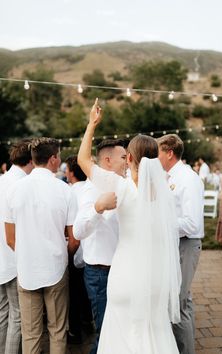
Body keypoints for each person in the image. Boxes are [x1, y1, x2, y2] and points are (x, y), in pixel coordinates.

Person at [77, 99, 181, 354]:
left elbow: (83, 160)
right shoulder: (164, 193)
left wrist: (92, 124)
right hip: (154, 278)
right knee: (153, 332)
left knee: (120, 337)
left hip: (125, 275)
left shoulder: (121, 187)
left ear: (130, 157)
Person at [4, 137, 78, 354]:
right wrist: (63, 257)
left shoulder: (14, 190)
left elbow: (10, 238)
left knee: (31, 333)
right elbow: (73, 239)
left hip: (26, 269)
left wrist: (29, 254)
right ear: (54, 159)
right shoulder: (65, 190)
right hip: (56, 267)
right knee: (57, 330)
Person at [73, 138, 127, 354]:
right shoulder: (91, 190)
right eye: (123, 157)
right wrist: (98, 208)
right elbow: (78, 232)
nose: (127, 161)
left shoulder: (120, 184)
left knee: (118, 331)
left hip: (121, 270)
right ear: (107, 160)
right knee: (105, 333)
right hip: (100, 274)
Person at [157, 134, 204, 354]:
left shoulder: (187, 178)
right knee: (183, 300)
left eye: (158, 152)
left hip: (186, 244)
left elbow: (192, 223)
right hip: (175, 244)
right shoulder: (168, 176)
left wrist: (160, 223)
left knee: (178, 305)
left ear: (169, 153)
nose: (155, 157)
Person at [0, 139, 33, 354]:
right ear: (31, 160)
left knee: (2, 313)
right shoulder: (21, 185)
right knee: (18, 316)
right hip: (12, 257)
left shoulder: (3, 180)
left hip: (1, 256)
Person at [65, 155, 93, 344]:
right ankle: (88, 321)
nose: (65, 172)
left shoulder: (69, 193)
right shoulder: (91, 189)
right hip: (91, 252)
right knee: (86, 292)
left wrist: (68, 253)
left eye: (67, 169)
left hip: (75, 250)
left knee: (73, 293)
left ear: (72, 173)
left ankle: (74, 332)